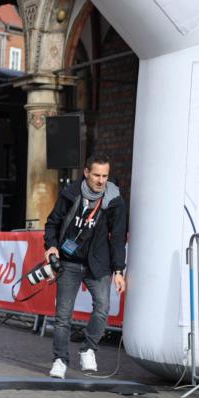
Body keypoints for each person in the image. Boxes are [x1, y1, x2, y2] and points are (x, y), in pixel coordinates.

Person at [43, 153, 128, 379]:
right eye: (97, 175)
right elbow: (53, 223)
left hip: (98, 264)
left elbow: (118, 237)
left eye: (105, 176)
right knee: (63, 316)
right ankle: (60, 359)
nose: (101, 181)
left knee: (102, 308)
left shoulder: (115, 200)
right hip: (70, 262)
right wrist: (51, 247)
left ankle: (89, 349)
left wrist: (119, 270)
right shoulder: (71, 192)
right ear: (86, 173)